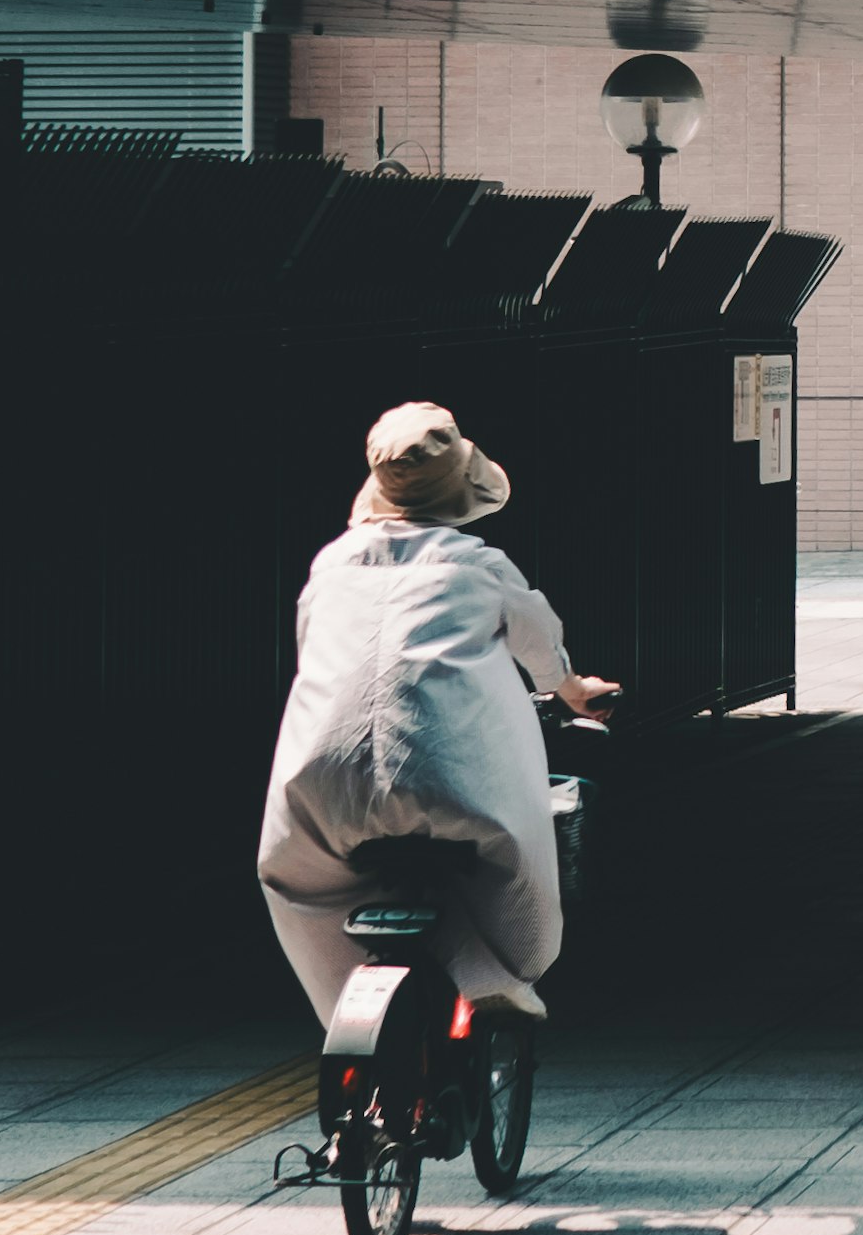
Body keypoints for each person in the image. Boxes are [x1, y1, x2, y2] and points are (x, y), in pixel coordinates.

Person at [257, 399, 617, 1030]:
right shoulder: (477, 566)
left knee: (297, 885)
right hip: (452, 778)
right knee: (516, 862)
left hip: (323, 782)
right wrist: (573, 688)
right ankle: (491, 977)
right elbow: (541, 646)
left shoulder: (331, 565)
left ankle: (348, 1015)